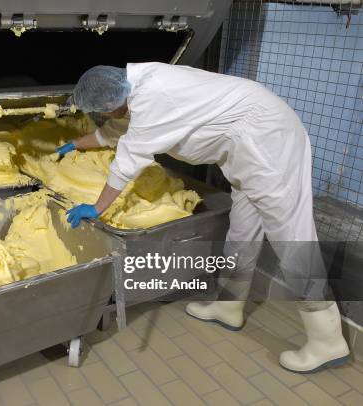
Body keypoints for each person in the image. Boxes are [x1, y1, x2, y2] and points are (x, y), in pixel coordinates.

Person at [59, 64, 350, 373]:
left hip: (268, 141)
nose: (106, 116)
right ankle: (229, 305)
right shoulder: (133, 88)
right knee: (243, 228)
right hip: (246, 147)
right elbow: (117, 130)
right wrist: (75, 144)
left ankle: (326, 339)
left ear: (112, 104)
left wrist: (97, 207)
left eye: (104, 111)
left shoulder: (154, 96)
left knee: (291, 237)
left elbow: (127, 159)